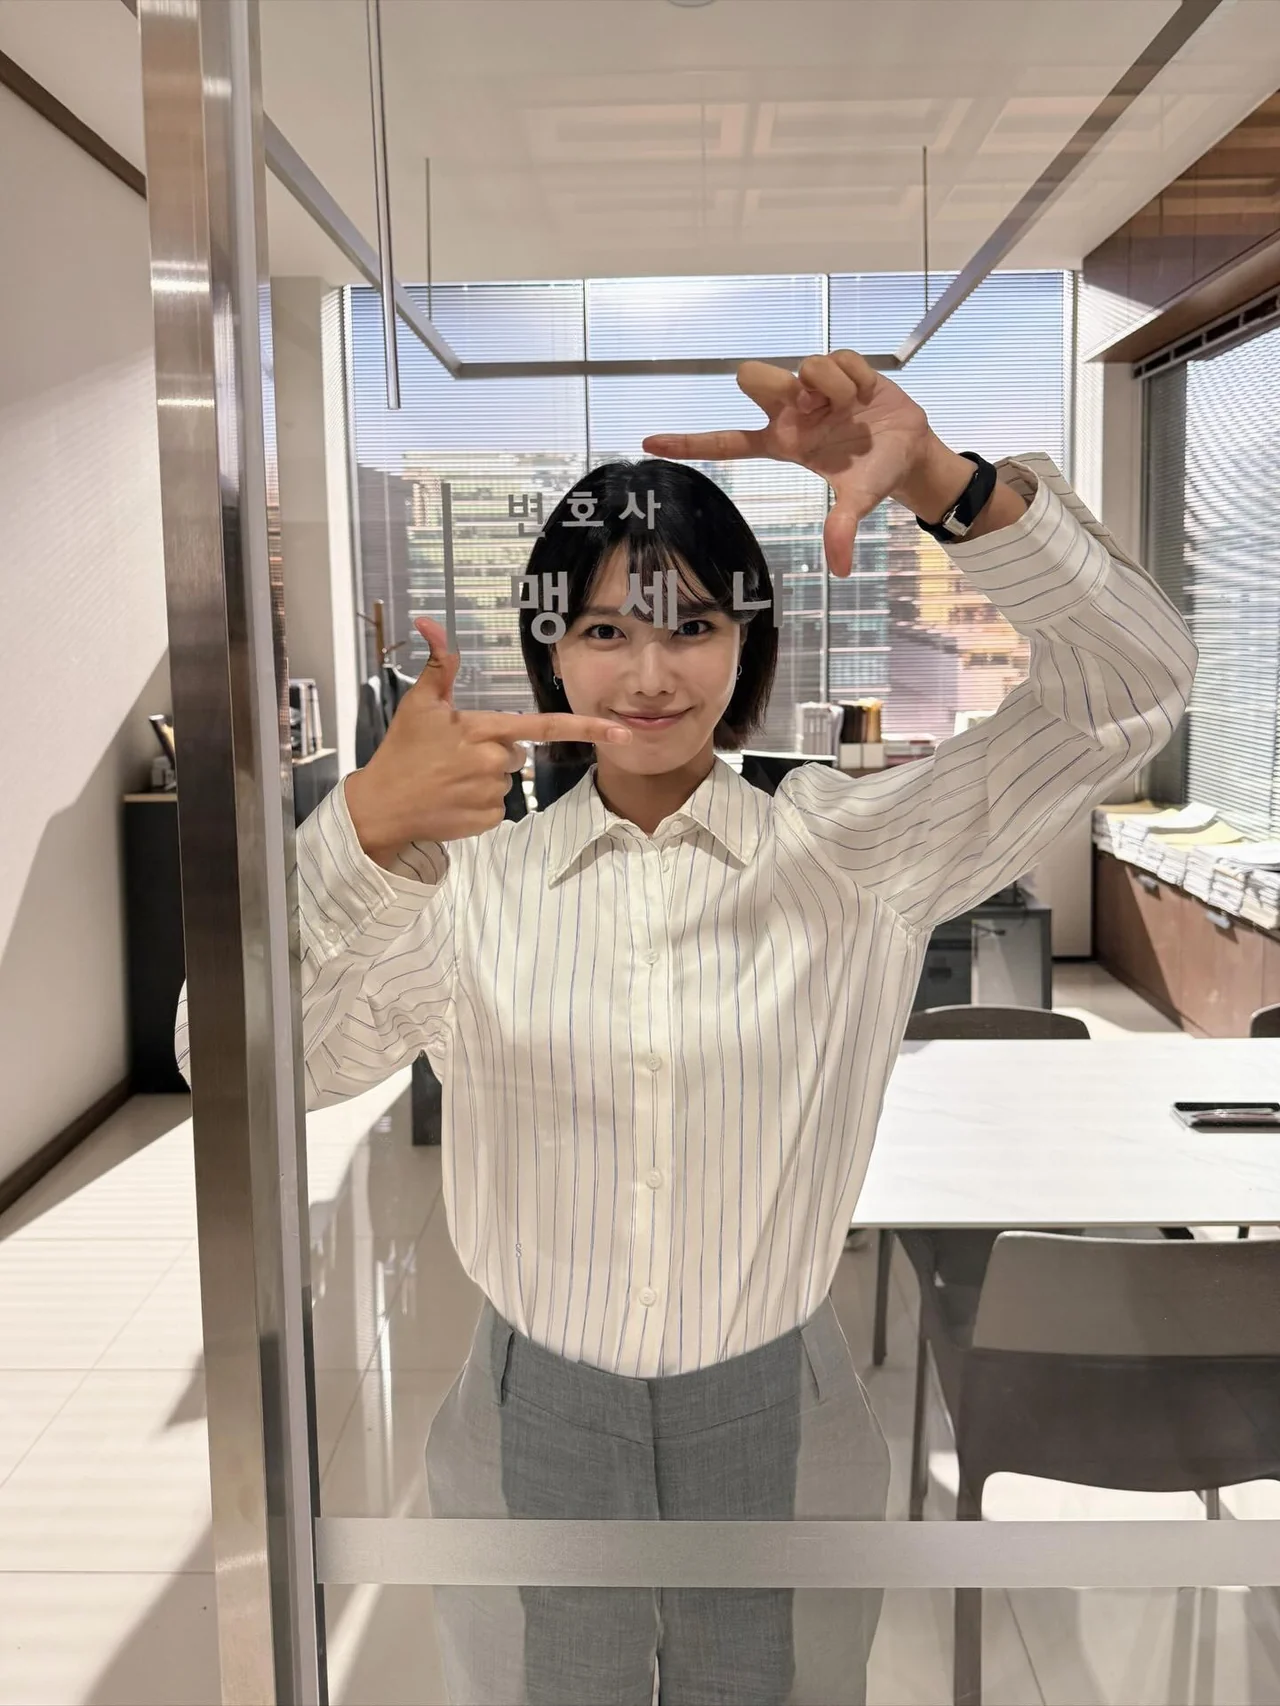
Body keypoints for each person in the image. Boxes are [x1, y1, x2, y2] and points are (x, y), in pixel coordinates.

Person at [177, 349, 1195, 1705]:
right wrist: (357, 831)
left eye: (692, 625)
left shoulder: (850, 853)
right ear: (548, 644)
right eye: (604, 631)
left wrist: (948, 486)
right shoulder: (465, 889)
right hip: (530, 1410)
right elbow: (230, 1069)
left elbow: (1133, 688)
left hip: (781, 1402)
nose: (649, 674)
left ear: (745, 641)